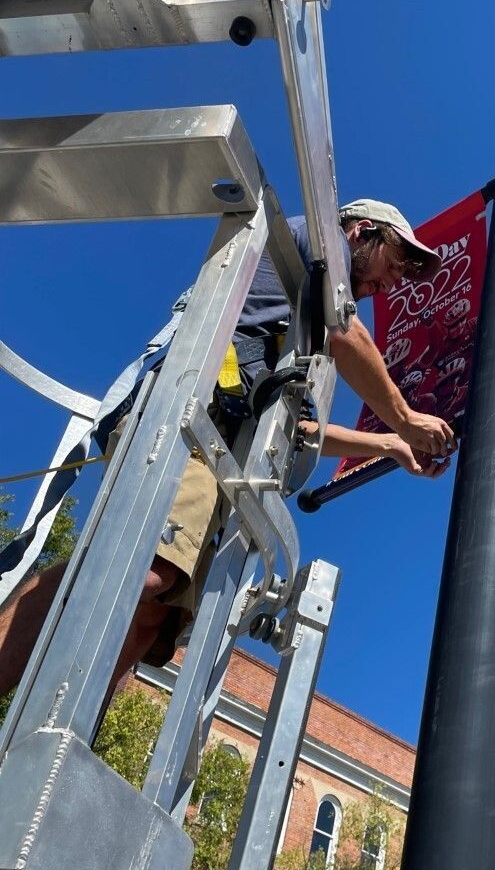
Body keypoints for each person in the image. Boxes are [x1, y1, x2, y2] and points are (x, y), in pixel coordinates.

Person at [0, 199, 454, 699]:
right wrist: (407, 420)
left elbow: (295, 430)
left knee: (156, 619)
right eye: (393, 264)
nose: (391, 284)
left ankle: (60, 748)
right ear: (361, 232)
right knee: (144, 565)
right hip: (189, 408)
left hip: (223, 445)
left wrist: (387, 445)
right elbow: (349, 332)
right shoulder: (318, 244)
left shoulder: (296, 323)